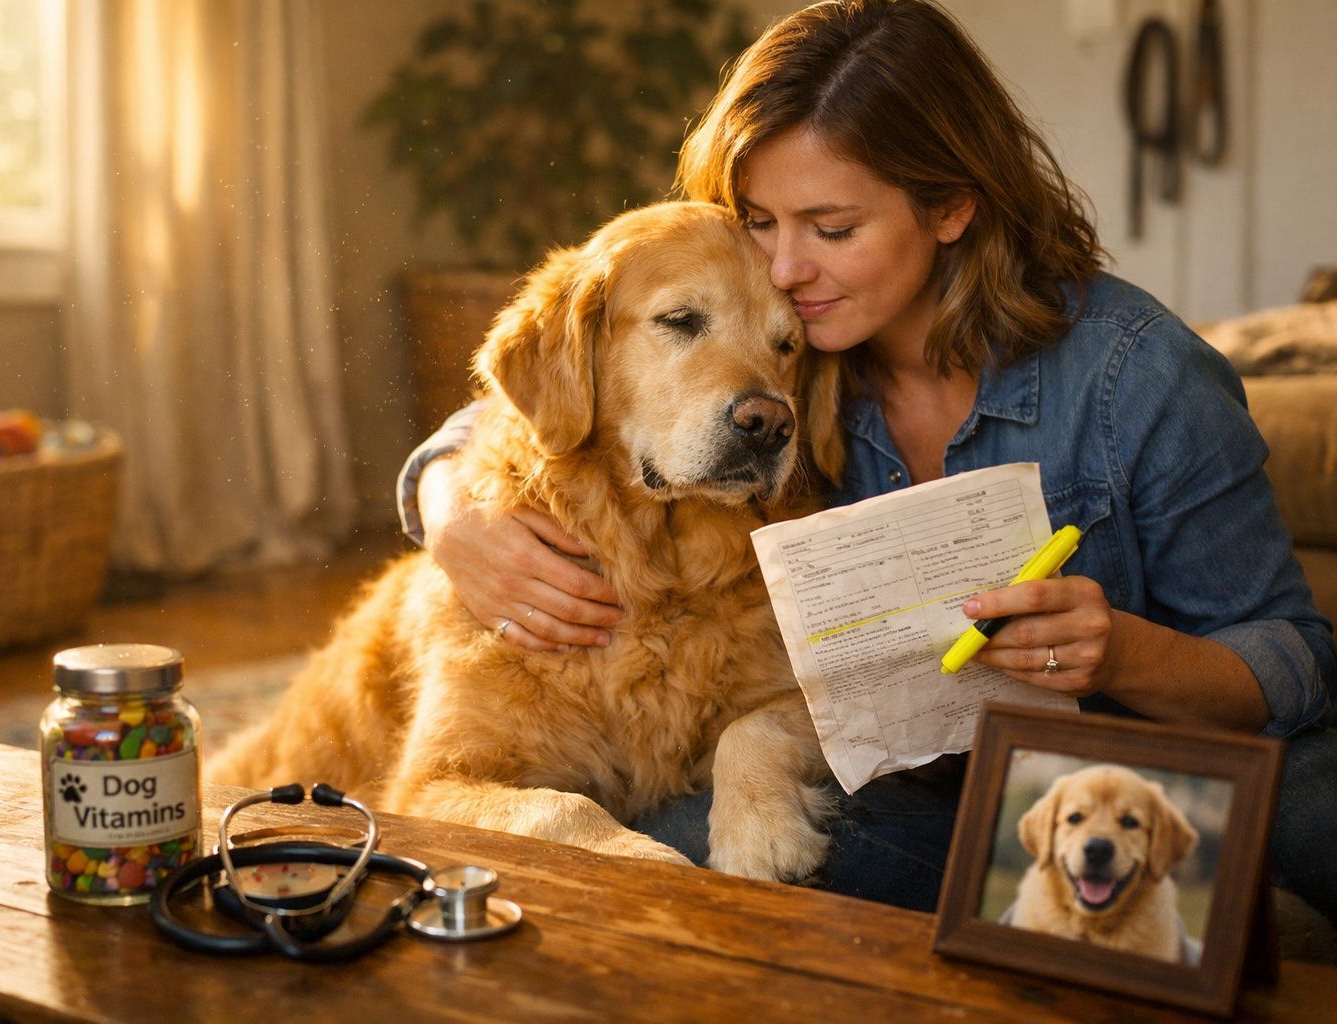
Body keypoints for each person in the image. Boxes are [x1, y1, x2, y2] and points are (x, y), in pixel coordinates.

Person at [396, 0, 1337, 927]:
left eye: (832, 229)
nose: (786, 270)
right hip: (923, 784)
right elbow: (572, 383)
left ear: (951, 208)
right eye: (760, 221)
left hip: (1129, 773)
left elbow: (1294, 660)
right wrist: (447, 504)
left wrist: (1123, 650)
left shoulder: (1139, 376)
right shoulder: (788, 357)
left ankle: (1192, 909)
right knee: (683, 839)